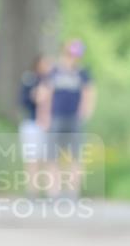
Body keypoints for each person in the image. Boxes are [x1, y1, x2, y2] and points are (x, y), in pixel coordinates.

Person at [37, 39, 97, 198]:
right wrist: (44, 115)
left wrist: (85, 112)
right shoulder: (55, 71)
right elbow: (46, 94)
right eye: (71, 53)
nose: (73, 57)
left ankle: (72, 192)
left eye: (76, 54)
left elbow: (88, 92)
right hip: (56, 117)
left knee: (76, 156)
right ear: (65, 52)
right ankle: (53, 192)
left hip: (74, 119)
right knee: (52, 156)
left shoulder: (82, 72)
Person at [19, 56, 51, 197]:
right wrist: (35, 96)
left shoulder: (51, 81)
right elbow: (22, 100)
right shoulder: (29, 80)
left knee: (47, 159)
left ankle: (48, 191)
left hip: (48, 125)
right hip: (31, 124)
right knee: (32, 159)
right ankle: (32, 191)